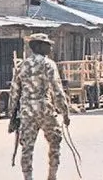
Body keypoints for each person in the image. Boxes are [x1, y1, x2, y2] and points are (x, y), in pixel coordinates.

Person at [8, 33, 70, 180]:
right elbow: (57, 90)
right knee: (55, 141)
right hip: (45, 110)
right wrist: (65, 113)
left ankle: (28, 177)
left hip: (26, 112)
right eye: (46, 44)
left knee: (27, 148)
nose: (50, 46)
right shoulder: (49, 64)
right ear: (37, 46)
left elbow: (14, 92)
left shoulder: (21, 66)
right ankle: (52, 175)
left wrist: (12, 115)